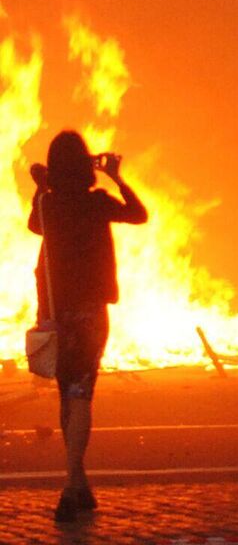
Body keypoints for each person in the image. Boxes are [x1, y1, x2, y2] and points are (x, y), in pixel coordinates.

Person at [27, 130, 148, 523]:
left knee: (67, 395)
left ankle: (78, 484)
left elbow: (34, 224)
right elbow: (139, 214)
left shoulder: (48, 204)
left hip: (58, 313)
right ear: (86, 166)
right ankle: (71, 486)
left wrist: (43, 185)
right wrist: (116, 176)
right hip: (90, 312)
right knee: (80, 394)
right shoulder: (97, 203)